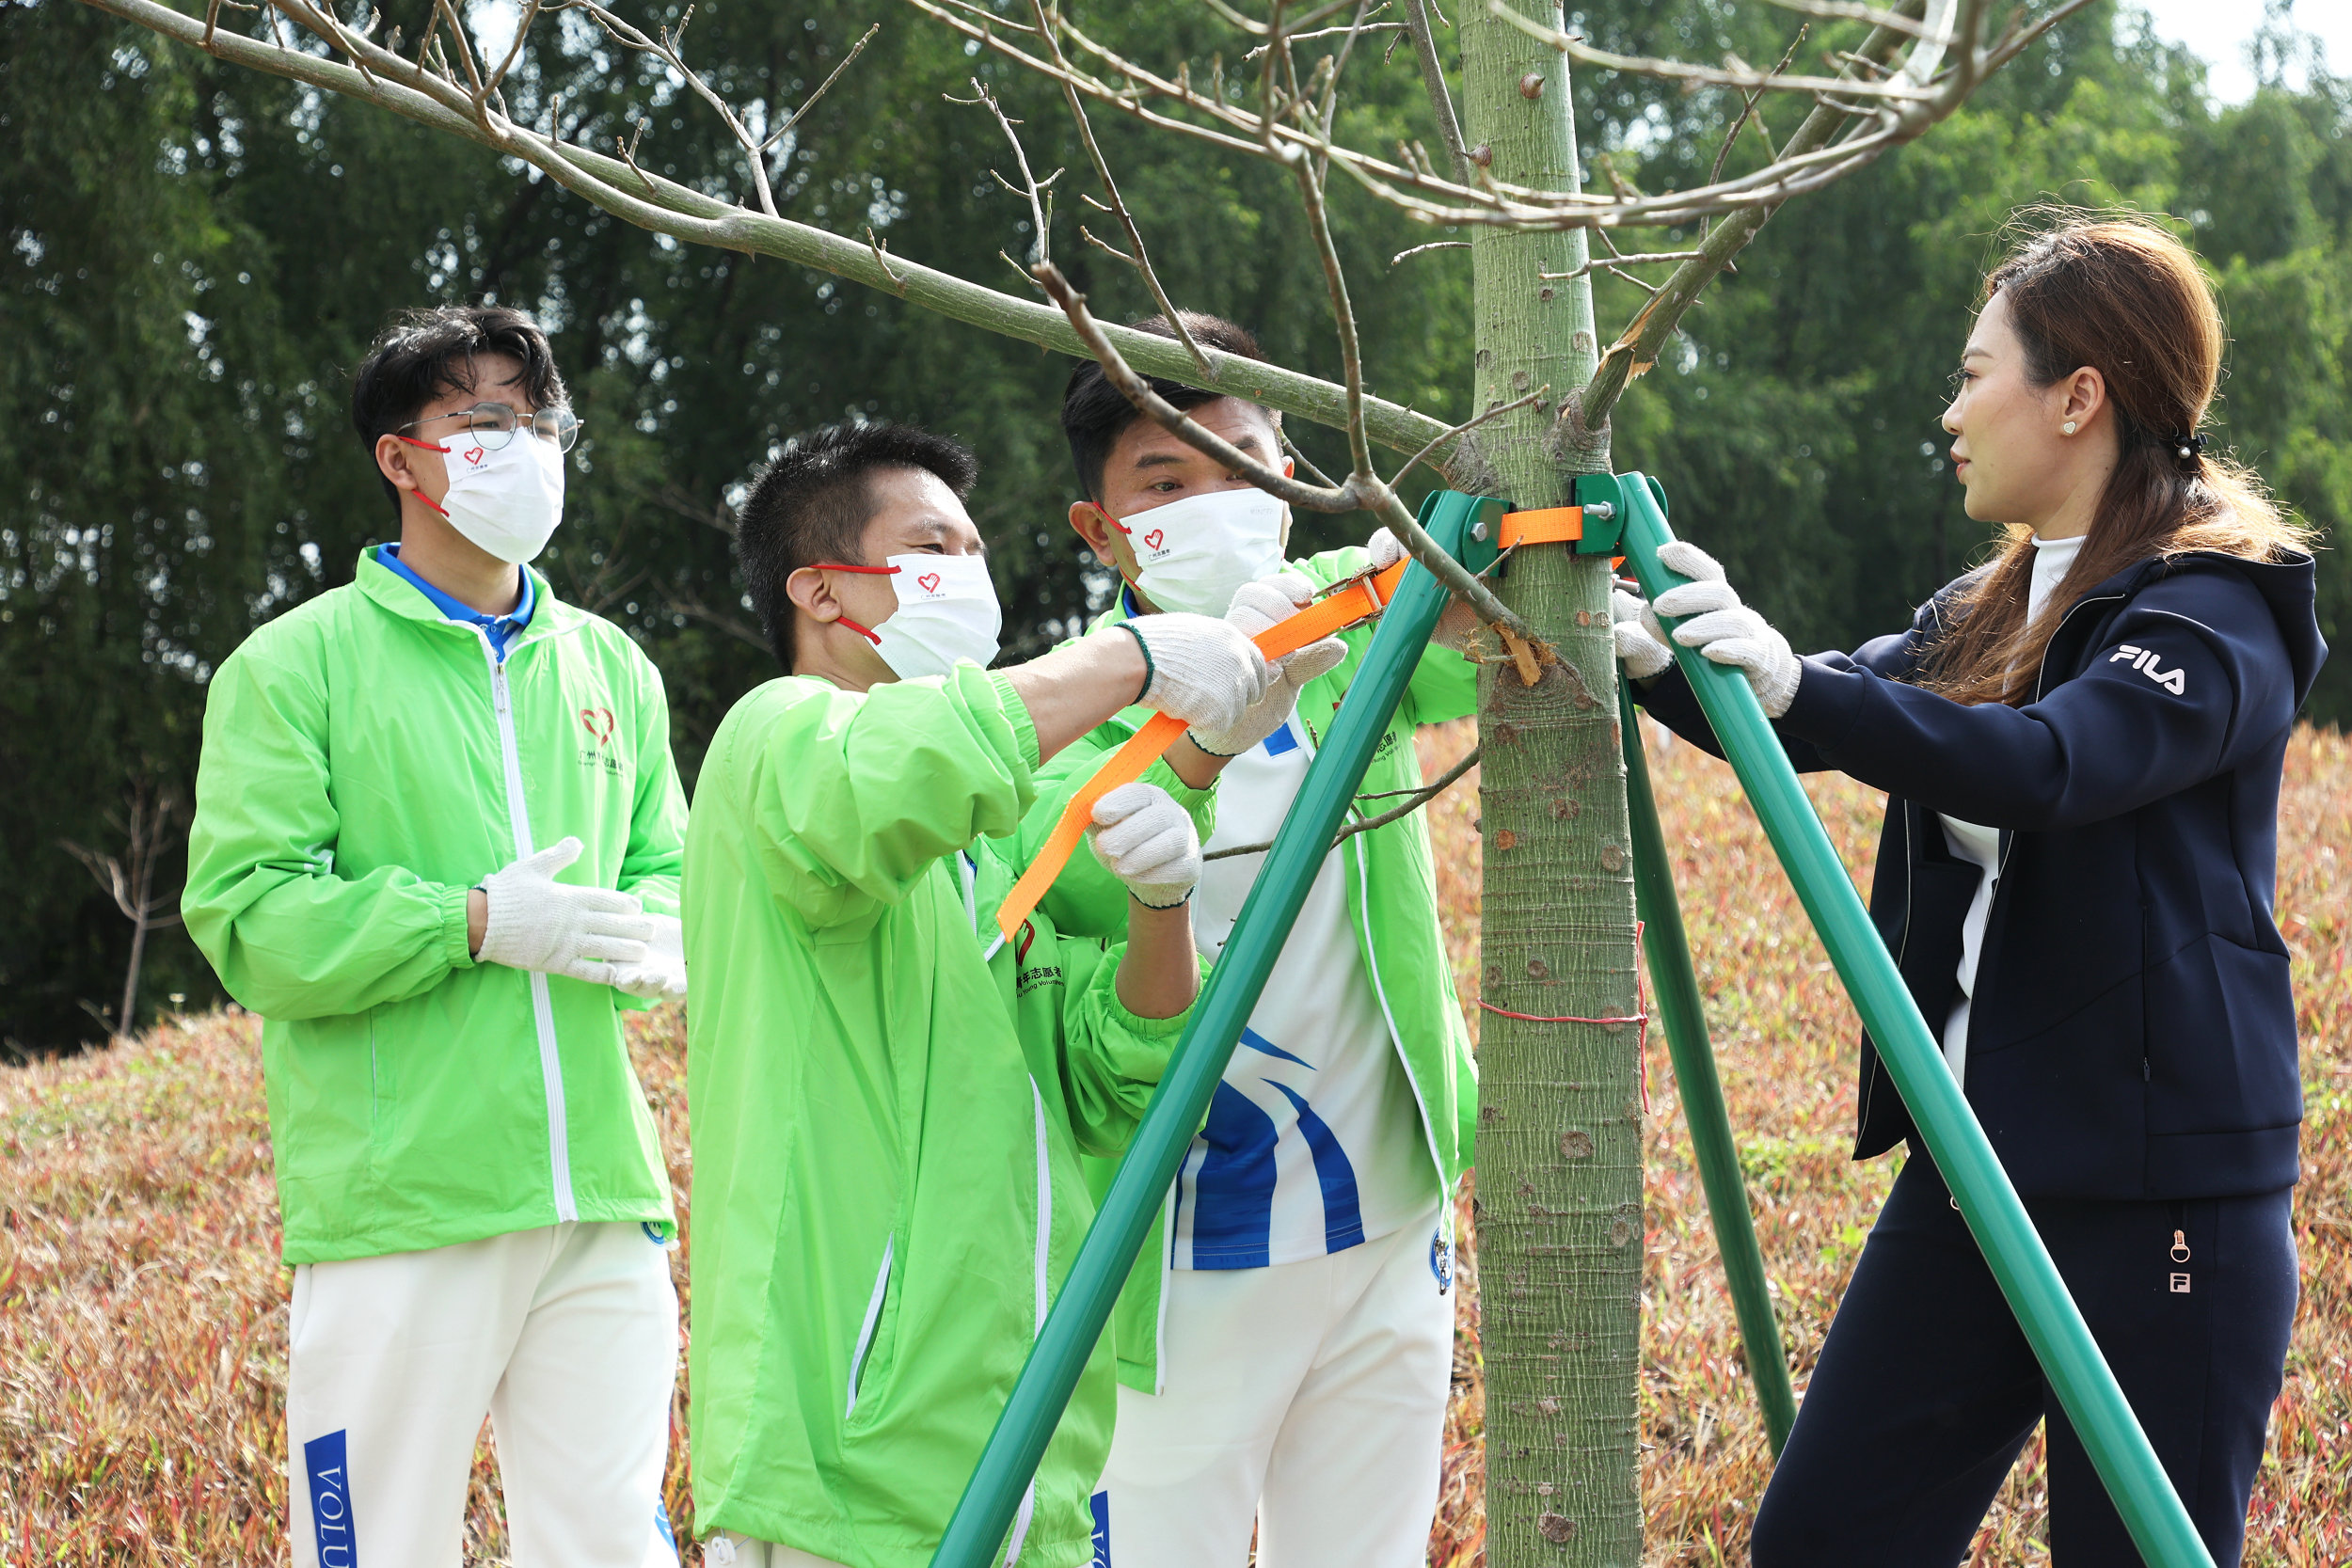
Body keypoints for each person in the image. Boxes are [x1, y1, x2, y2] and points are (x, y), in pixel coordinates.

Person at [1614, 216, 2322, 1566]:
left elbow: (2056, 763)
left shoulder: (2218, 604)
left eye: (1972, 371)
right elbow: (1829, 710)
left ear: (2078, 395)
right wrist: (1663, 653)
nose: (1949, 410)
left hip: (2159, 1196)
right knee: (1825, 1542)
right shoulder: (1997, 599)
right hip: (1976, 1173)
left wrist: (1796, 682)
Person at [683, 420, 1332, 1568]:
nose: (970, 575)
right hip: (849, 1474)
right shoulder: (777, 736)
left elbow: (1107, 1070)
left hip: (1031, 1468)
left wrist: (1166, 888)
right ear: (825, 591)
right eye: (935, 546)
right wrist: (1131, 660)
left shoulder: (973, 850)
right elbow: (889, 775)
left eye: (978, 547)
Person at [183, 304, 692, 1567]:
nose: (524, 446)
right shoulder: (294, 664)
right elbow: (252, 917)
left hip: (601, 1197)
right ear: (400, 459)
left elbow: (670, 870)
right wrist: (473, 919)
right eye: (483, 422)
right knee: (377, 1548)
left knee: (610, 1545)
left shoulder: (612, 665)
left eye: (540, 420)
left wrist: (663, 939)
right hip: (403, 1203)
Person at [1039, 314, 1482, 1568]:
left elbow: (1496, 629)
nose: (1218, 500)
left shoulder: (1347, 639)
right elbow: (1061, 918)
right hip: (1177, 1252)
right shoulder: (1063, 716)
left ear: (1295, 473)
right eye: (1167, 480)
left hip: (1389, 1214)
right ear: (1102, 527)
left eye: (1247, 462)